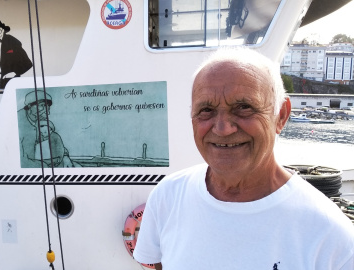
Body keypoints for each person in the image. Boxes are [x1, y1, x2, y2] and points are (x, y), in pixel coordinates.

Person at [133, 47, 354, 270]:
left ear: (281, 115)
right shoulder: (167, 198)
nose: (222, 128)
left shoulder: (333, 238)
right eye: (206, 109)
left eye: (243, 107)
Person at [0, 19, 32, 88]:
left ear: (3, 30)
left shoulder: (12, 41)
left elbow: (28, 63)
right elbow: (6, 67)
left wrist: (15, 72)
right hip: (4, 81)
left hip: (14, 82)